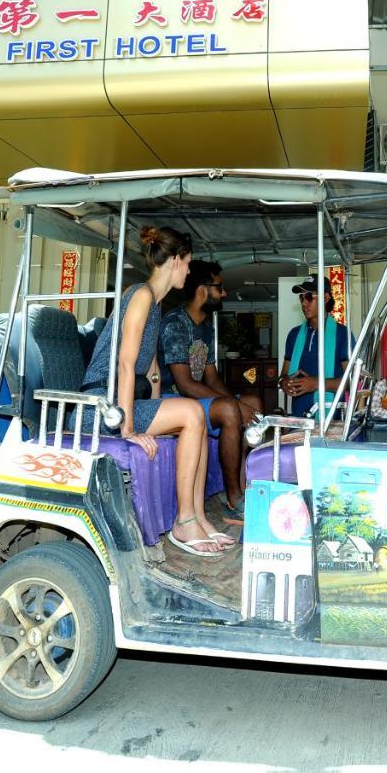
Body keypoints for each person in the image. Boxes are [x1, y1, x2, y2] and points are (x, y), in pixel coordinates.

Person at [80, 226, 232, 557]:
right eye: (188, 263)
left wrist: (159, 407)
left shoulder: (156, 304)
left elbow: (149, 373)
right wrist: (129, 428)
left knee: (196, 416)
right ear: (175, 260)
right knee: (191, 412)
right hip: (101, 402)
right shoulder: (141, 295)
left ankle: (199, 516)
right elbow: (124, 364)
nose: (189, 271)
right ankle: (184, 521)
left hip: (124, 399)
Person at [159, 260, 263, 521]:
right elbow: (184, 384)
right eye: (220, 288)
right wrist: (233, 405)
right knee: (230, 409)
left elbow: (212, 378)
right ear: (203, 291)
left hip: (196, 396)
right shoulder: (175, 324)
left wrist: (241, 403)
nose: (224, 293)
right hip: (173, 400)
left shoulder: (205, 327)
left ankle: (243, 487)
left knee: (253, 401)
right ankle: (233, 498)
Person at [280, 275, 353, 419]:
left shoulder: (343, 334)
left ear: (325, 298)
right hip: (298, 418)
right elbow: (284, 374)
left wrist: (317, 384)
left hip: (331, 420)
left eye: (309, 297)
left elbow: (352, 381)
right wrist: (284, 382)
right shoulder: (294, 335)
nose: (304, 303)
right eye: (301, 298)